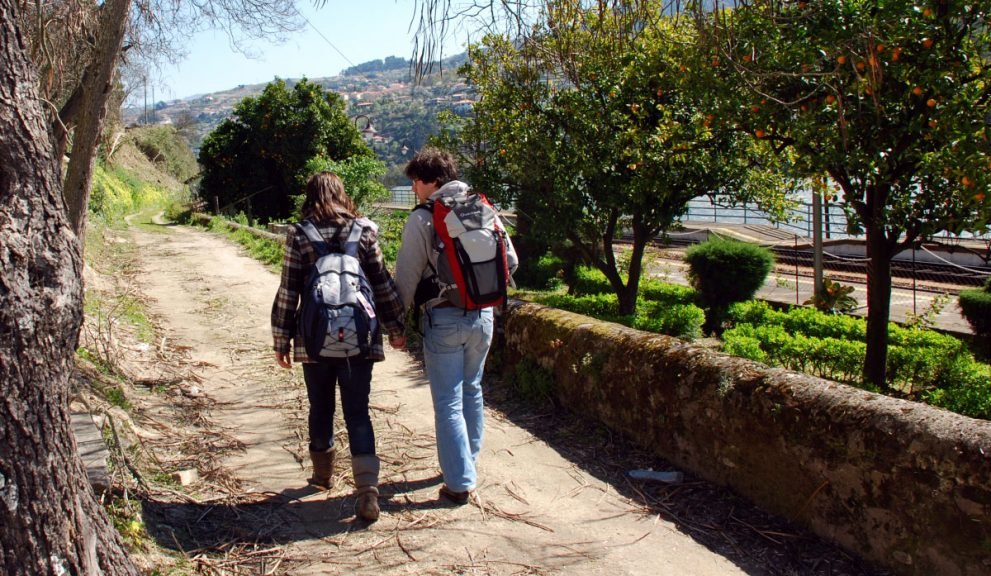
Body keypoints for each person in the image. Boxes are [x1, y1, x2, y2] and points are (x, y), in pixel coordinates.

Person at [271, 171, 406, 522]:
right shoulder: (364, 230)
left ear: (310, 196)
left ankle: (322, 476)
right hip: (360, 340)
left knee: (320, 407)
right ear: (342, 194)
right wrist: (396, 328)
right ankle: (367, 491)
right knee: (358, 411)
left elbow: (288, 291)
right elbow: (381, 283)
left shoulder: (299, 234)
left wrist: (280, 340)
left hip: (313, 342)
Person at [393, 147, 518, 505]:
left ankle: (460, 482)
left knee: (447, 399)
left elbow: (407, 275)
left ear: (429, 180)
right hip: (484, 316)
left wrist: (397, 322)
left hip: (444, 317)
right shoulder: (481, 208)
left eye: (415, 181)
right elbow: (511, 260)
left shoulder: (424, 217)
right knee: (472, 388)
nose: (414, 188)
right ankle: (467, 460)